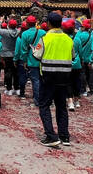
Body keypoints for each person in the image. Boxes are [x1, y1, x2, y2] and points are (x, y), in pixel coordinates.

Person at [32, 12, 74, 147]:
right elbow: (73, 56)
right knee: (61, 106)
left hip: (48, 76)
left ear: (48, 23)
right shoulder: (68, 39)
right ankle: (64, 136)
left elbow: (37, 56)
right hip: (64, 77)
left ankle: (51, 135)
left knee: (44, 105)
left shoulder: (45, 39)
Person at [20, 16, 45, 107]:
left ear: (26, 23)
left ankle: (38, 100)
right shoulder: (43, 32)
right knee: (42, 81)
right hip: (43, 59)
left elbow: (24, 49)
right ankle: (43, 98)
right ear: (35, 23)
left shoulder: (25, 34)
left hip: (31, 59)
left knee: (35, 81)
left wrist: (25, 61)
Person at [0, 18, 20, 96]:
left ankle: (9, 89)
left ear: (8, 25)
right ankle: (17, 88)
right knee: (16, 72)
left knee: (8, 72)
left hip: (6, 55)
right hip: (16, 54)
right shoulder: (19, 32)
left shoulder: (5, 32)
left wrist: (0, 21)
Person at [63, 19, 82, 111]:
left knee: (68, 83)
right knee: (77, 82)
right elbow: (80, 52)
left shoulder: (64, 39)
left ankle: (70, 102)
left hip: (67, 63)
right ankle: (77, 101)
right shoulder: (77, 39)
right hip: (77, 64)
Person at [75, 20, 93, 97]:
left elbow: (76, 43)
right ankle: (92, 90)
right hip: (89, 59)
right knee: (89, 75)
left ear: (83, 27)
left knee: (82, 75)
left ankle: (83, 90)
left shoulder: (80, 35)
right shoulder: (92, 36)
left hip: (81, 58)